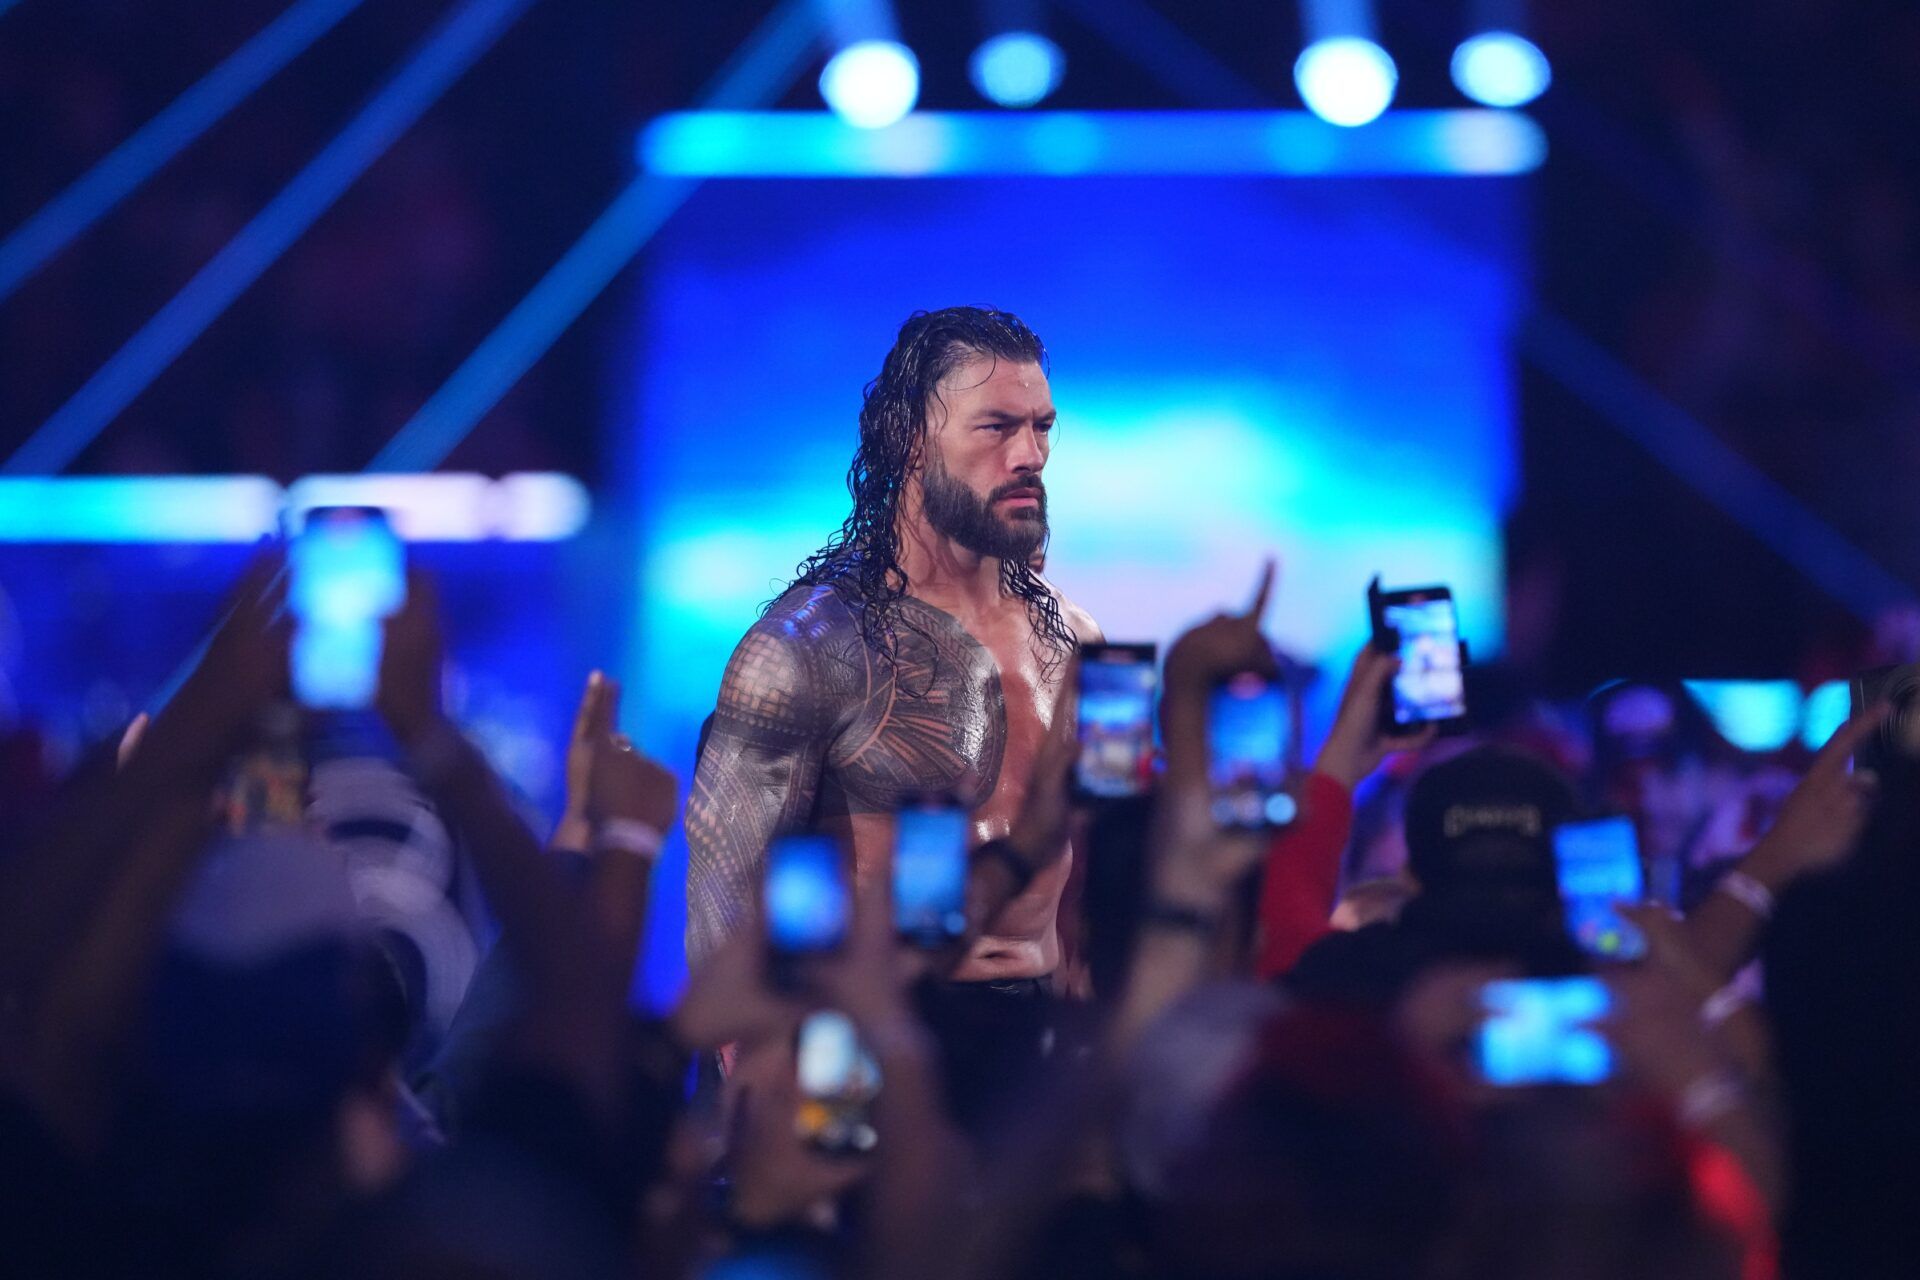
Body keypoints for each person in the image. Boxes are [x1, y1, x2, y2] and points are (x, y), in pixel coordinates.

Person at [684, 306, 1099, 987]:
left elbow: (1104, 873)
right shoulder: (802, 651)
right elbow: (726, 902)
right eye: (997, 427)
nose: (1030, 456)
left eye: (1042, 428)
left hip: (1035, 1055)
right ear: (910, 438)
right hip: (879, 1038)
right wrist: (753, 1069)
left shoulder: (1079, 639)